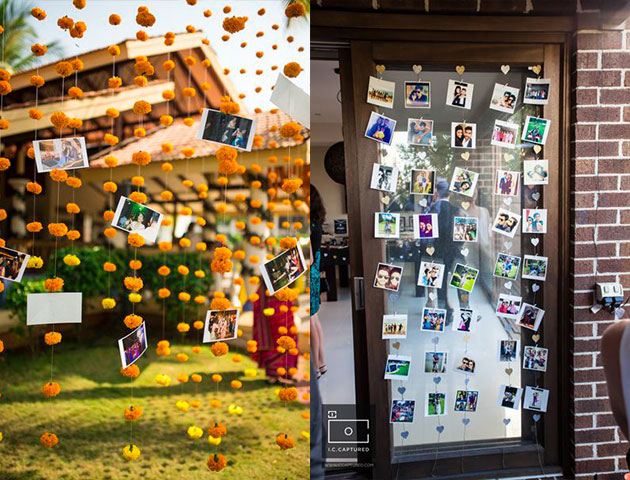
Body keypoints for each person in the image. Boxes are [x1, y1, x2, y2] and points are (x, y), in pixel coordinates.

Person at [310, 185, 327, 378]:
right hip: (314, 276)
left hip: (309, 275)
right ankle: (321, 362)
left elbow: (310, 259)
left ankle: (315, 366)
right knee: (315, 319)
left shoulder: (310, 227)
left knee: (311, 321)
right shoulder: (316, 224)